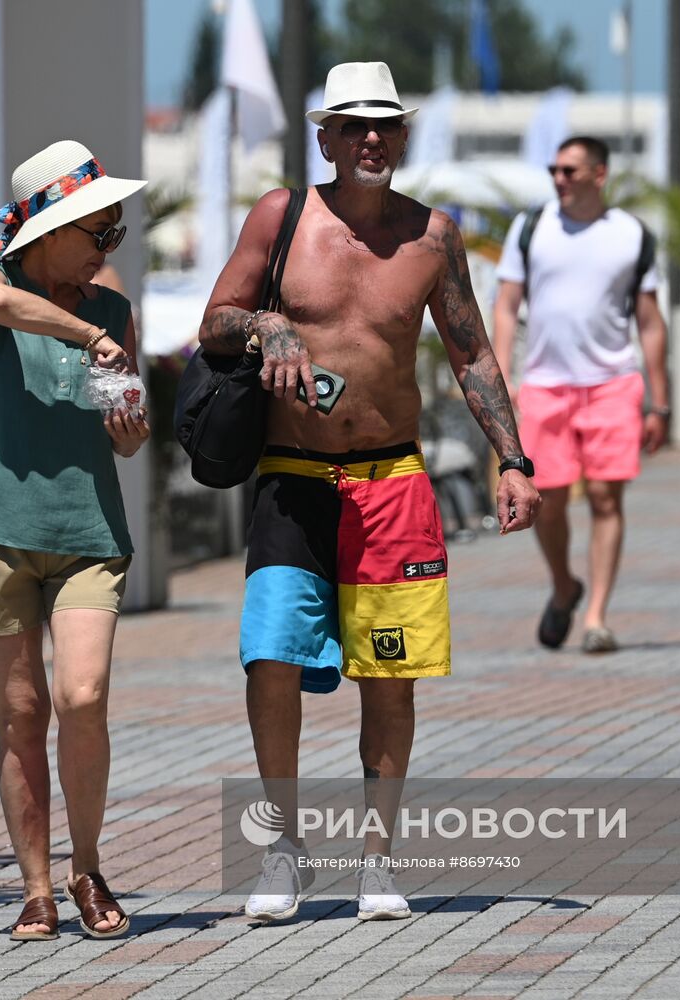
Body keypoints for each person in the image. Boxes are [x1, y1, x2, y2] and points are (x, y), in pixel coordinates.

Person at [198, 62, 540, 923]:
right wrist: (268, 320)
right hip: (294, 479)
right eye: (353, 125)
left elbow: (472, 355)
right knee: (270, 657)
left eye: (384, 125)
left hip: (393, 480)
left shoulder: (434, 238)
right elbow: (212, 321)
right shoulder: (283, 217)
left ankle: (376, 863)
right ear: (325, 138)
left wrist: (513, 460)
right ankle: (282, 848)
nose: (371, 139)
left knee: (391, 678)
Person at [0, 139, 150, 942]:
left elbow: (127, 440)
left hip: (86, 530)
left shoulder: (114, 310)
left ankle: (87, 865)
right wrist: (86, 336)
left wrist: (128, 424)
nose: (107, 248)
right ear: (48, 232)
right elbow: (0, 307)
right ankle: (36, 888)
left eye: (114, 233)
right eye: (97, 232)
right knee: (20, 712)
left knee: (82, 696)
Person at [492, 136, 670, 655]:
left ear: (599, 174)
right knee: (543, 503)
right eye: (554, 170)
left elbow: (651, 323)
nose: (559, 179)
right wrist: (500, 376)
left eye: (570, 170)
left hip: (614, 383)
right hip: (545, 386)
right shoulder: (531, 228)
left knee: (604, 497)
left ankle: (596, 617)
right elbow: (506, 305)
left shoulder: (631, 235)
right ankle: (565, 585)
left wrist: (660, 401)